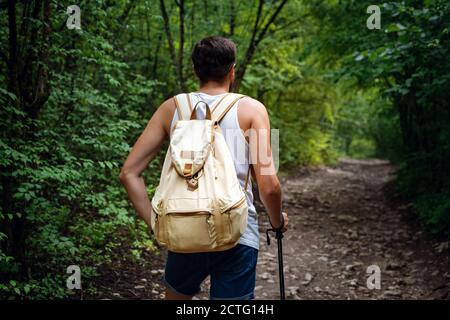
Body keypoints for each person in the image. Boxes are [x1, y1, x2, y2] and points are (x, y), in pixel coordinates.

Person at [119, 36, 288, 300]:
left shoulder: (171, 108)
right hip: (238, 232)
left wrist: (157, 224)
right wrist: (277, 223)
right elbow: (269, 185)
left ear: (195, 70)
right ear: (232, 70)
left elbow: (128, 173)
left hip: (184, 226)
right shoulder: (253, 110)